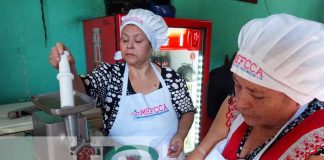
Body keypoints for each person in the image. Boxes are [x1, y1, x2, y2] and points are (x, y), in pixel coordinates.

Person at [49, 9, 194, 159]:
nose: (129, 45)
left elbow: (187, 111)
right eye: (124, 40)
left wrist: (180, 135)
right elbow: (81, 94)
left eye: (138, 41)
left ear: (152, 46)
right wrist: (69, 67)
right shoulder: (111, 76)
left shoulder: (171, 78)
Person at [187, 14, 324, 160]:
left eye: (257, 95)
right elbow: (202, 150)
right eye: (237, 85)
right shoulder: (236, 103)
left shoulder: (315, 145)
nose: (239, 103)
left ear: (298, 98)